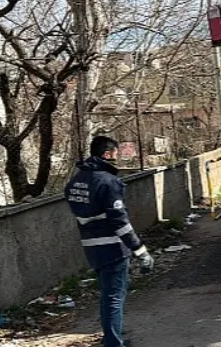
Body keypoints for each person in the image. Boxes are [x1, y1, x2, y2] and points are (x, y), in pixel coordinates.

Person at [65, 136, 154, 347]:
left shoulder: (75, 181)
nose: (118, 156)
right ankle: (113, 343)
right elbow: (120, 222)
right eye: (116, 153)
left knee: (107, 295)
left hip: (91, 247)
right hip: (112, 247)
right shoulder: (108, 181)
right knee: (114, 297)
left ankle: (111, 339)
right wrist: (140, 250)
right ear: (106, 154)